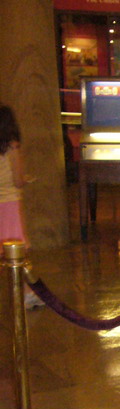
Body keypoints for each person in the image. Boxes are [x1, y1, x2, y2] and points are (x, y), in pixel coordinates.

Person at [0, 105, 43, 309]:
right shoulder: (11, 147)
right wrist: (26, 180)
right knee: (19, 254)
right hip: (8, 203)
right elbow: (17, 180)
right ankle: (26, 294)